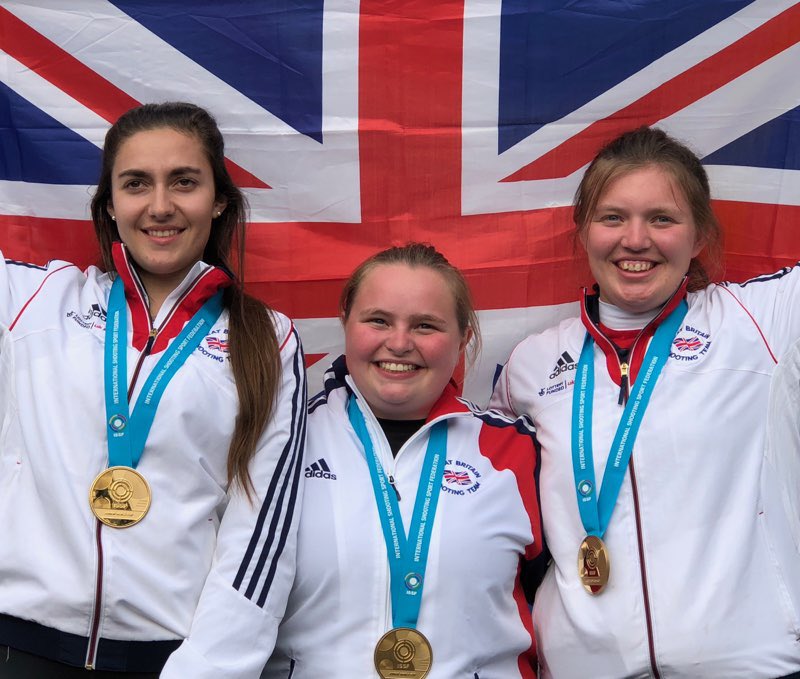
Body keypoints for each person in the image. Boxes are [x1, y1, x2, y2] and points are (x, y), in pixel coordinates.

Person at [0, 102, 306, 678]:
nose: (160, 206)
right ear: (109, 205)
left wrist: (206, 670)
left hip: (167, 660)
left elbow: (263, 533)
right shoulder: (30, 301)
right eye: (136, 184)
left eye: (184, 182)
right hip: (16, 645)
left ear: (218, 200)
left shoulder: (269, 340)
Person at [491, 126, 800, 678]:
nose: (636, 240)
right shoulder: (530, 366)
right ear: (583, 230)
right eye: (613, 217)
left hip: (751, 666)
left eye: (663, 218)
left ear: (699, 234)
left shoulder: (763, 322)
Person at [262, 243, 546, 678]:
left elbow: (559, 599)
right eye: (378, 320)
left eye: (425, 325)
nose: (398, 343)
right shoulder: (283, 439)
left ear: (463, 337)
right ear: (345, 321)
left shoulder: (518, 451)